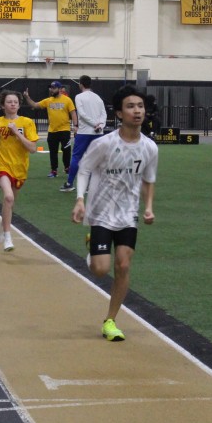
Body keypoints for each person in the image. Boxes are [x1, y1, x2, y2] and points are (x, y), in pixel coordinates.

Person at [72, 85, 158, 342]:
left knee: (123, 264)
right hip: (100, 213)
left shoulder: (150, 148)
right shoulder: (104, 144)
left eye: (140, 106)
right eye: (130, 106)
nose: (137, 111)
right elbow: (84, 170)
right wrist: (80, 200)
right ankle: (92, 248)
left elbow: (148, 180)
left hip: (128, 214)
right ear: (119, 113)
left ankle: (110, 320)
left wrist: (149, 207)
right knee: (100, 270)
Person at [0, 90, 39, 252]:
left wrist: (17, 134)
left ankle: (3, 223)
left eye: (15, 102)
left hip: (20, 168)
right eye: (9, 102)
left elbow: (33, 148)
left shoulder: (27, 122)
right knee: (8, 197)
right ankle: (8, 237)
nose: (13, 104)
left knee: (10, 203)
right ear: (3, 105)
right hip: (2, 164)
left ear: (19, 105)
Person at [60, 75, 106, 192]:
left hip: (84, 132)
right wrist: (100, 125)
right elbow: (104, 114)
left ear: (80, 84)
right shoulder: (98, 98)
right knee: (95, 159)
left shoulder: (79, 97)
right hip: (98, 133)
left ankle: (69, 183)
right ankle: (90, 186)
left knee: (76, 157)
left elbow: (82, 114)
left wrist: (94, 124)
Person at [23, 80, 77, 179]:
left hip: (64, 130)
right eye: (51, 88)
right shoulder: (48, 100)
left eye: (54, 88)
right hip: (52, 131)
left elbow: (73, 113)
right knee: (53, 152)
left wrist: (76, 125)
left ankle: (67, 168)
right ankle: (54, 170)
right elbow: (34, 105)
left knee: (66, 150)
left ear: (60, 89)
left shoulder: (67, 100)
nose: (51, 90)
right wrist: (27, 97)